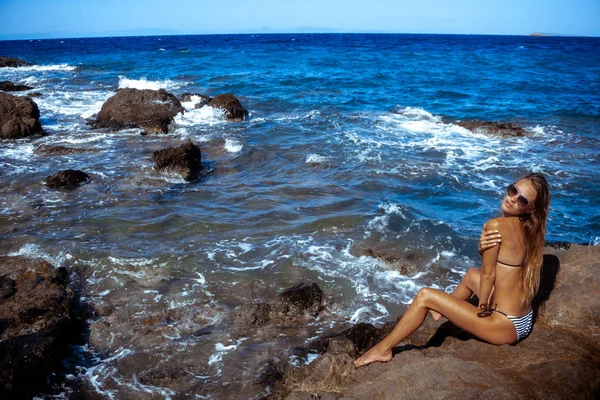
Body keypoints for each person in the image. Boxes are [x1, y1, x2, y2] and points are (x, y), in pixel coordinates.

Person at [354, 173, 550, 368]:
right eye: (513, 190)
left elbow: (490, 274)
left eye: (521, 199)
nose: (512, 198)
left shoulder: (496, 225)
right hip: (523, 320)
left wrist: (482, 310)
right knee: (472, 275)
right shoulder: (532, 229)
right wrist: (483, 250)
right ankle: (439, 313)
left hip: (504, 326)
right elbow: (503, 266)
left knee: (425, 296)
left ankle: (383, 349)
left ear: (530, 209)